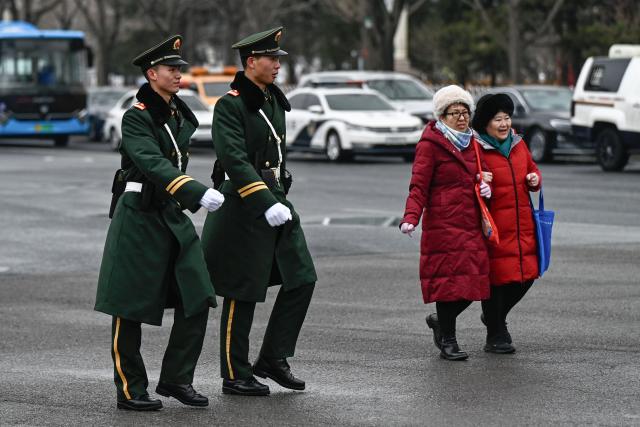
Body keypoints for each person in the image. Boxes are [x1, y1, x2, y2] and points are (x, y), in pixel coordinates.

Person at [95, 35, 225, 411]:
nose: (178, 75)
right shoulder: (136, 115)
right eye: (171, 69)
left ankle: (176, 379)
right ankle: (131, 388)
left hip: (170, 214)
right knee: (129, 306)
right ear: (152, 73)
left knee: (198, 296)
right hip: (138, 215)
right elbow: (152, 162)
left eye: (180, 69)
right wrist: (194, 190)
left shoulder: (178, 113)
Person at [201, 27, 317, 396]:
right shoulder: (231, 104)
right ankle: (235, 373)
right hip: (243, 207)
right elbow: (234, 160)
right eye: (272, 59)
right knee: (242, 291)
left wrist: (277, 200)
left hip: (276, 199)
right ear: (252, 63)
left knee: (302, 277)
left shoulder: (270, 99)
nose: (278, 65)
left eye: (279, 58)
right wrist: (266, 202)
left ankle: (273, 358)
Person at [399, 85, 492, 361]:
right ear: (442, 116)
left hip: (471, 223)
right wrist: (411, 217)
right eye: (455, 113)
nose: (462, 118)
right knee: (449, 284)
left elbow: (484, 173)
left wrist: (487, 186)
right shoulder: (430, 145)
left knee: (475, 283)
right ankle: (448, 340)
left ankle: (440, 323)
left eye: (465, 112)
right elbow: (418, 186)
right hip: (444, 225)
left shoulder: (473, 142)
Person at [472, 93, 541, 354]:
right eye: (497, 119)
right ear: (485, 124)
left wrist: (535, 179)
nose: (503, 124)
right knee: (497, 280)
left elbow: (532, 169)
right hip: (494, 226)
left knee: (527, 275)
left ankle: (494, 317)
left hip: (522, 222)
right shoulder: (477, 148)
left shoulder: (518, 143)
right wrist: (479, 180)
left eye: (507, 118)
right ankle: (495, 333)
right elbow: (467, 180)